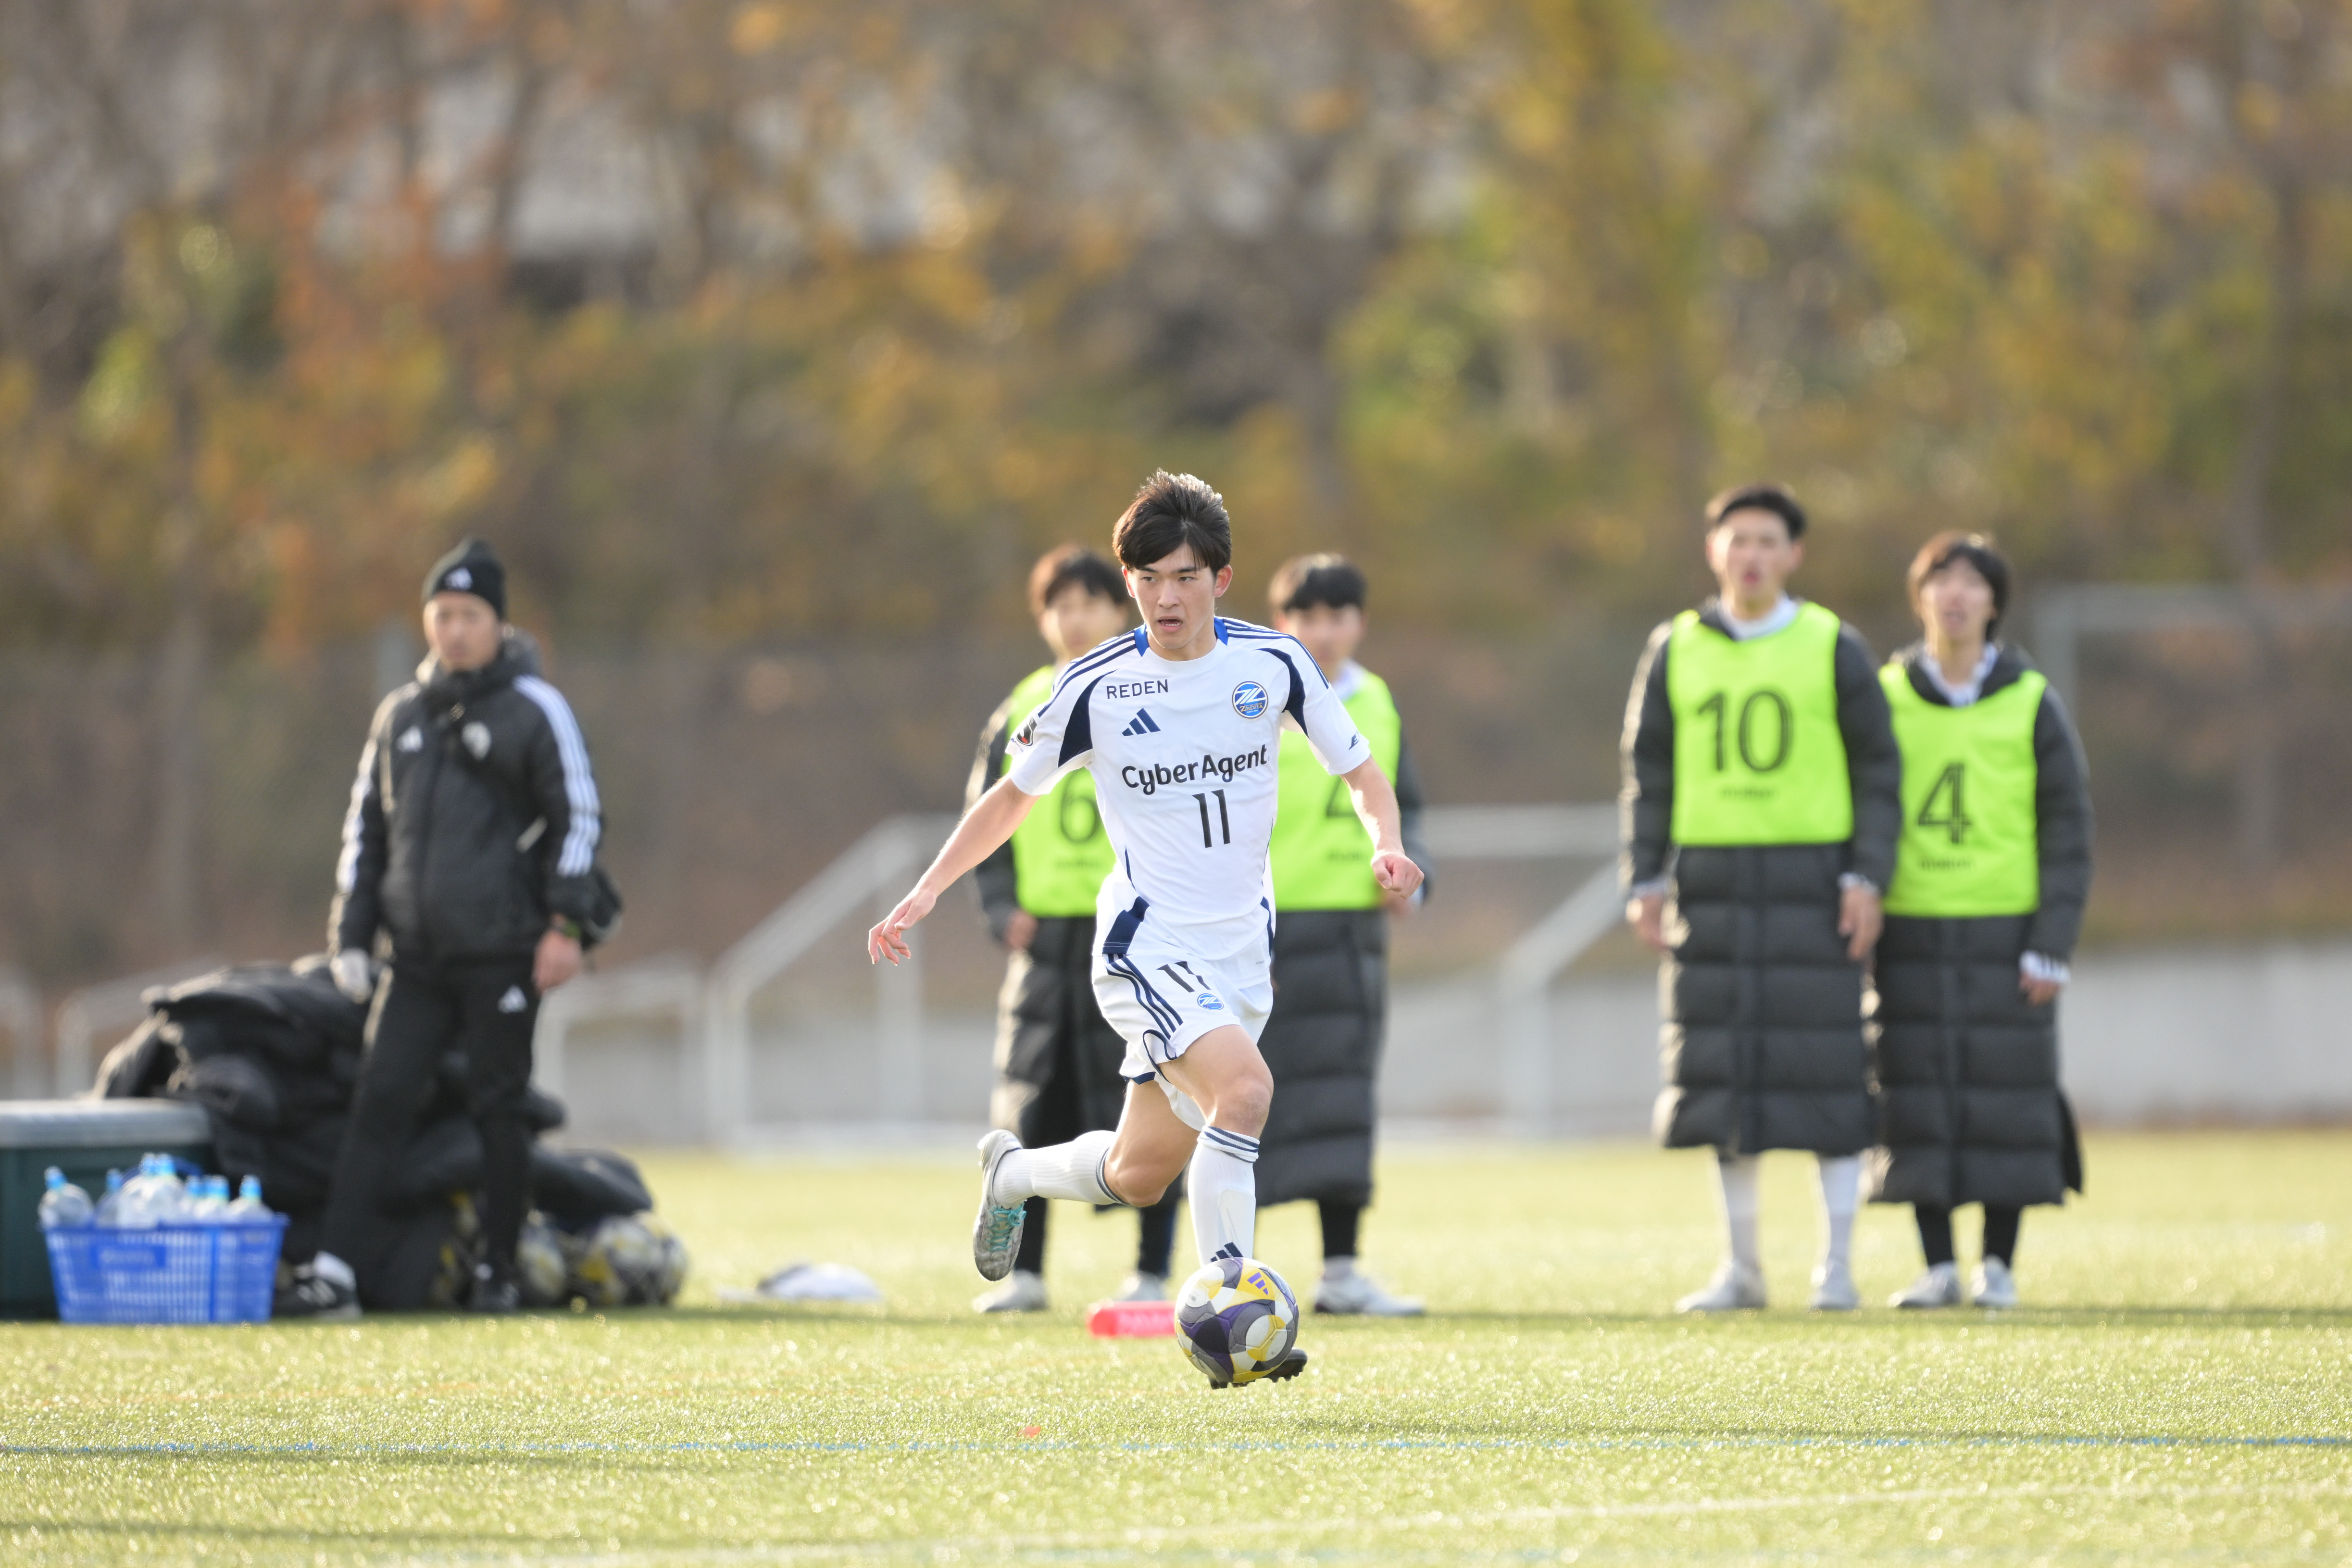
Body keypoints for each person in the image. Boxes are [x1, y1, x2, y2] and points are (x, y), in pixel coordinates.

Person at [868, 470, 1424, 1386]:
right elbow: (1008, 798)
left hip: (1240, 954)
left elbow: (1361, 772)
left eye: (1184, 577)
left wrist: (1388, 844)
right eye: (1148, 579)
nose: (1166, 598)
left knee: (1139, 1173)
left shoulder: (1275, 665)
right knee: (1245, 1092)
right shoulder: (1094, 685)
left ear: (1221, 578)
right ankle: (1236, 1317)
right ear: (1130, 583)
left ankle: (1012, 1176)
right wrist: (927, 891)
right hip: (1144, 945)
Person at [278, 538, 608, 1317]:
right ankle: (336, 1269)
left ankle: (500, 1269)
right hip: (417, 958)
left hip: (503, 952)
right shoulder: (401, 715)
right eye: (442, 614)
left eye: (470, 615)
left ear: (499, 623)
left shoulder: (536, 708)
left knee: (500, 1108)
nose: (455, 630)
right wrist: (351, 936)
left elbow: (580, 818)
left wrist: (565, 924)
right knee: (379, 1101)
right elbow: (366, 832)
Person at [1620, 483, 1901, 1313]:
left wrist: (1866, 875)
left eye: (1768, 540)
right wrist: (1645, 877)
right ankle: (1742, 1269)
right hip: (1710, 887)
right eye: (1737, 539)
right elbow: (1649, 771)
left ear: (1794, 554)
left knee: (1831, 1077)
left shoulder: (1833, 644)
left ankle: (1836, 1269)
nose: (1751, 555)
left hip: (1814, 886)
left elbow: (1878, 768)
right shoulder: (1675, 646)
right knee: (1725, 1081)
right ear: (1714, 549)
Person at [1873, 533, 2092, 1310]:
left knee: (2008, 1095)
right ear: (1920, 597)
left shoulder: (2031, 699)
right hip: (1909, 925)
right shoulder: (1886, 694)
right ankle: (1936, 1264)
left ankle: (1997, 1264)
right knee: (1915, 1092)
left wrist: (2052, 941)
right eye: (1941, 579)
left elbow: (2068, 828)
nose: (1955, 594)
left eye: (1972, 581)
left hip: (2007, 927)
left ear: (1995, 601)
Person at [965, 545, 1185, 1313]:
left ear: (1120, 609)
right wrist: (1001, 909)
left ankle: (1150, 1272)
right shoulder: (1023, 704)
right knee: (1035, 1103)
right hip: (1048, 946)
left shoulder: (1154, 690)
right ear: (1042, 619)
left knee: (1155, 1098)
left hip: (1132, 936)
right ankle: (1026, 1273)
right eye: (1060, 605)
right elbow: (987, 816)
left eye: (1090, 602)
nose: (1076, 618)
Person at [1257, 554, 1430, 1317]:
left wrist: (1411, 879)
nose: (1322, 632)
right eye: (1306, 616)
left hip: (1350, 933)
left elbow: (1408, 807)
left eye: (1337, 615)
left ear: (1360, 622)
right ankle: (1235, 1273)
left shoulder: (1379, 701)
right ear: (1281, 623)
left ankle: (1342, 1271)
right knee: (1244, 1100)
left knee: (1344, 1101)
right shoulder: (1252, 700)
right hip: (1258, 933)